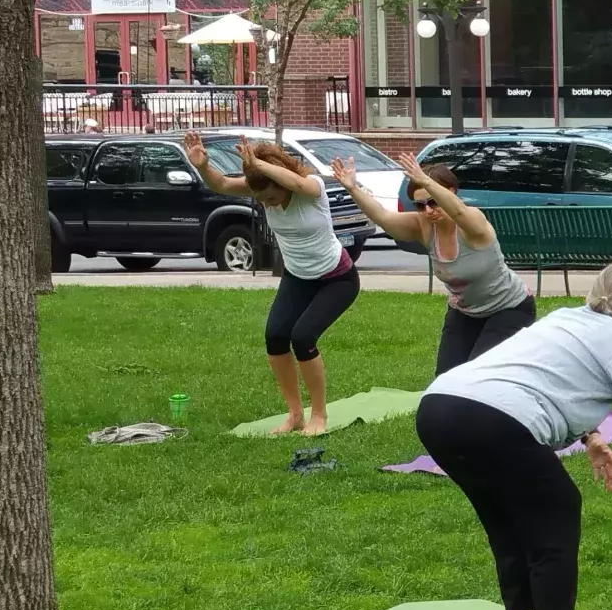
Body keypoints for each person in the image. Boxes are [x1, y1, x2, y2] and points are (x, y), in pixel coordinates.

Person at [415, 262, 612, 610]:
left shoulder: (564, 318)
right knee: (557, 507)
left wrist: (591, 437)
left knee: (504, 516)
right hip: (492, 419)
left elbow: (545, 376)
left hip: (438, 408)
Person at [183, 130, 358, 436]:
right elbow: (222, 184)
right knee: (276, 337)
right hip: (298, 277)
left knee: (303, 337)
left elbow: (300, 182)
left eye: (270, 197)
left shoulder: (311, 188)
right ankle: (295, 414)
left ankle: (319, 415)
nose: (267, 203)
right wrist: (202, 166)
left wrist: (258, 165)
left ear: (279, 181)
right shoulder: (264, 190)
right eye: (260, 199)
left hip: (337, 279)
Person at [333, 151, 535, 372]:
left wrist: (425, 180)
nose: (427, 210)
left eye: (433, 202)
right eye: (420, 205)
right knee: (446, 378)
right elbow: (383, 217)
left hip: (509, 308)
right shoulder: (423, 226)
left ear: (450, 192)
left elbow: (457, 211)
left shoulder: (472, 221)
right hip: (465, 312)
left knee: (480, 375)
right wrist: (352, 188)